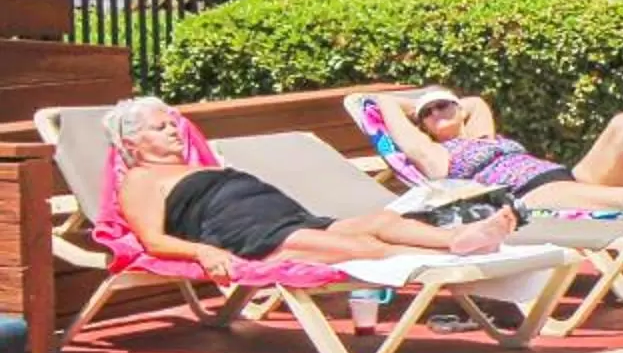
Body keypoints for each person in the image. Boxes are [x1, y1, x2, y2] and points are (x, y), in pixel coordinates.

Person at [103, 97, 514, 281]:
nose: (175, 131)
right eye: (162, 128)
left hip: (288, 218)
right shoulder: (141, 179)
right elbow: (152, 240)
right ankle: (444, 259)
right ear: (134, 143)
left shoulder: (193, 165)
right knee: (366, 249)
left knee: (382, 220)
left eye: (174, 124)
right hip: (252, 237)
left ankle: (457, 239)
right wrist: (203, 251)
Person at [374, 85, 623, 217]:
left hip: (563, 176)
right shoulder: (437, 155)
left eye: (446, 106)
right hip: (531, 195)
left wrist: (448, 102)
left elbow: (474, 101)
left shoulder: (481, 135)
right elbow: (380, 103)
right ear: (421, 123)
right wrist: (411, 105)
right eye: (430, 112)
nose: (439, 112)